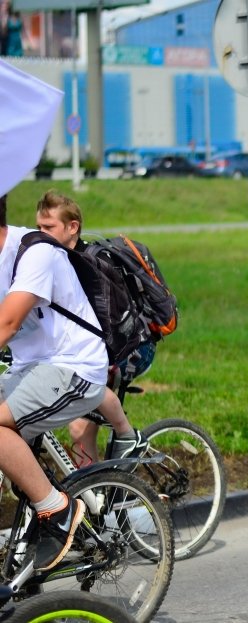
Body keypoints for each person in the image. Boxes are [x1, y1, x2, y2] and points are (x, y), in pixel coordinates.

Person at [0, 191, 141, 572]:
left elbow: (7, 324)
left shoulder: (36, 253)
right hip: (30, 368)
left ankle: (57, 510)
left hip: (74, 367)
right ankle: (26, 540)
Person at [34, 189, 150, 464]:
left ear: (72, 227)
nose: (40, 233)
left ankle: (105, 488)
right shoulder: (53, 260)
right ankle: (93, 492)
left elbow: (114, 321)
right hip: (93, 347)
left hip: (128, 348)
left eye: (48, 227)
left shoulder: (92, 264)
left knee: (78, 427)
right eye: (37, 227)